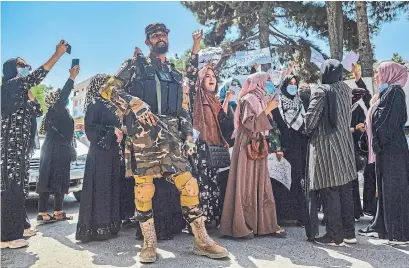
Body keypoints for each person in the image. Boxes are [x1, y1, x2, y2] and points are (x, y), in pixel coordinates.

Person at [100, 23, 228, 263]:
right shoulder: (134, 66)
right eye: (155, 35)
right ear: (148, 41)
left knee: (189, 186)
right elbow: (107, 90)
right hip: (142, 136)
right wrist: (133, 102)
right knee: (144, 189)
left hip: (171, 137)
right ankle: (149, 244)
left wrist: (189, 135)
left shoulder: (175, 73)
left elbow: (183, 109)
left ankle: (201, 240)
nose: (160, 38)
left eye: (164, 34)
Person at [1, 41, 68, 249]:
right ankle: (6, 237)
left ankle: (20, 225)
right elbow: (39, 75)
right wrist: (57, 55)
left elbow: (38, 111)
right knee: (10, 188)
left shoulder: (20, 90)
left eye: (26, 65)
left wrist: (30, 93)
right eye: (22, 65)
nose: (26, 68)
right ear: (12, 69)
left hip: (21, 148)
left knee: (19, 188)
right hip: (9, 148)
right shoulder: (9, 87)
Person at [220, 72, 286, 239]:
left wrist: (268, 108)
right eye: (267, 81)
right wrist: (268, 109)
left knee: (260, 181)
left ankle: (263, 224)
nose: (269, 84)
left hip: (258, 142)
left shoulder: (261, 99)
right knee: (246, 180)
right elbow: (249, 123)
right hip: (246, 143)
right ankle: (242, 226)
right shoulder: (248, 99)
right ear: (258, 82)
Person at [305, 59, 357, 246]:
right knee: (345, 189)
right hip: (345, 144)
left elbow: (310, 121)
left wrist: (307, 130)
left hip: (326, 146)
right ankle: (350, 233)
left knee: (330, 189)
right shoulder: (345, 89)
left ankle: (335, 236)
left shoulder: (321, 91)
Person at [358, 61, 409, 245]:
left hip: (392, 150)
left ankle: (400, 234)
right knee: (386, 190)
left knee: (395, 189)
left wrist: (377, 142)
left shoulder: (395, 92)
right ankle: (386, 228)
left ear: (390, 73)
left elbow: (388, 121)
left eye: (379, 72)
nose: (377, 76)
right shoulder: (386, 93)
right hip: (386, 150)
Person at [75, 74, 123, 242]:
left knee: (111, 186)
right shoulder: (94, 105)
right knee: (100, 188)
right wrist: (112, 131)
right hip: (100, 154)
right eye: (108, 84)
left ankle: (110, 224)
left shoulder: (110, 105)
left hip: (112, 153)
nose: (112, 87)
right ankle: (97, 228)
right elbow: (91, 130)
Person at [192, 63, 235, 227]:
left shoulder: (215, 100)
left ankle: (212, 218)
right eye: (207, 76)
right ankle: (200, 221)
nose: (211, 79)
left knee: (213, 182)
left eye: (214, 77)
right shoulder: (197, 96)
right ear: (201, 80)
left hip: (214, 146)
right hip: (201, 146)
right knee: (202, 183)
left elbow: (221, 121)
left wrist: (227, 101)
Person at [36, 65, 80, 224]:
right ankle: (44, 212)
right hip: (57, 149)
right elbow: (64, 94)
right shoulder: (58, 109)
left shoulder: (57, 112)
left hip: (54, 149)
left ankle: (56, 211)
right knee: (52, 178)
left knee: (54, 179)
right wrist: (72, 78)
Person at [271, 75, 309, 226]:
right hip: (283, 149)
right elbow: (274, 127)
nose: (293, 86)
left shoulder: (300, 103)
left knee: (297, 181)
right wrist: (278, 147)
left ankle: (299, 215)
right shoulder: (277, 105)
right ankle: (282, 216)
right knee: (281, 181)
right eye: (290, 84)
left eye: (295, 84)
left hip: (298, 149)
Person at [351, 64, 376, 217]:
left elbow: (367, 96)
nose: (358, 97)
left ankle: (369, 207)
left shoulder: (367, 106)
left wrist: (358, 78)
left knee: (370, 176)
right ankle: (355, 210)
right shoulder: (348, 107)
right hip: (351, 145)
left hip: (367, 146)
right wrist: (355, 127)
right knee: (352, 178)